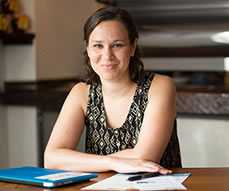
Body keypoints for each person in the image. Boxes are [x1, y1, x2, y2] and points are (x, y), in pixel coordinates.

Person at [44, 6, 181, 174]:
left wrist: (84, 162)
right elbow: (51, 158)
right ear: (88, 49)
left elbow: (145, 157)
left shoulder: (160, 86)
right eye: (98, 45)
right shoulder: (81, 93)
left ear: (132, 47)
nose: (107, 55)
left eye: (117, 45)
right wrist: (112, 163)